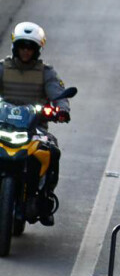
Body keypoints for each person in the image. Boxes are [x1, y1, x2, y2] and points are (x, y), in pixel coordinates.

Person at [0, 22, 71, 226]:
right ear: (15, 47)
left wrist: (61, 110)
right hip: (3, 125)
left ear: (37, 50)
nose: (26, 51)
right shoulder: (3, 68)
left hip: (34, 128)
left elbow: (58, 94)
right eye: (22, 46)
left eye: (30, 47)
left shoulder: (46, 72)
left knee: (52, 152)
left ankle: (44, 197)